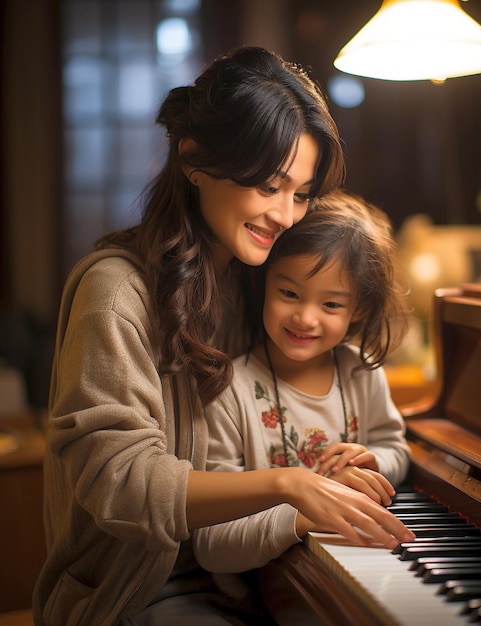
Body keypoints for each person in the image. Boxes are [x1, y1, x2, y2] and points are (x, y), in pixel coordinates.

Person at [32, 46, 415, 626]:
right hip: (139, 592)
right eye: (269, 185)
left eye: (302, 193)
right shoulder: (114, 294)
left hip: (254, 572)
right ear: (195, 160)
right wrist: (291, 486)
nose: (287, 215)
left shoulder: (258, 282)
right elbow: (121, 481)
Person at [193, 190, 412, 580]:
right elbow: (211, 546)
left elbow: (396, 448)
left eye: (330, 304)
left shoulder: (361, 373)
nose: (306, 318)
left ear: (358, 307)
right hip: (266, 593)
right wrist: (302, 516)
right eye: (289, 293)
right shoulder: (230, 391)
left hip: (357, 573)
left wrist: (373, 462)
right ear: (264, 284)